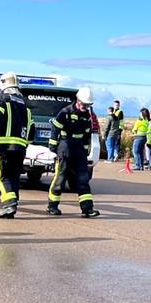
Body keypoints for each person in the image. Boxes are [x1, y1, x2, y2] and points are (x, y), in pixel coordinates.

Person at [0, 73, 31, 219]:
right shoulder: (24, 103)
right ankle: (12, 203)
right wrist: (26, 143)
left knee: (2, 177)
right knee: (14, 177)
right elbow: (31, 127)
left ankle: (9, 204)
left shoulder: (2, 99)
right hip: (20, 148)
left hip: (4, 147)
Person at [48, 87, 100, 217]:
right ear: (78, 100)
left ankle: (87, 209)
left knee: (83, 180)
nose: (86, 107)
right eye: (84, 104)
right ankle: (52, 206)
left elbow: (87, 134)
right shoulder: (65, 112)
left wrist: (86, 149)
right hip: (65, 147)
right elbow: (55, 129)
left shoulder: (87, 115)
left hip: (79, 150)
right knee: (60, 178)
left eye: (88, 105)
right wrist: (53, 147)